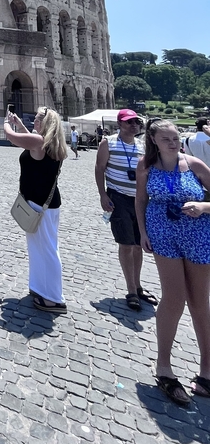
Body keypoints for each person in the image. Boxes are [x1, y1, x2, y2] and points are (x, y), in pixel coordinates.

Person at [135, 119, 210, 406]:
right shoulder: (146, 166)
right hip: (163, 236)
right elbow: (140, 201)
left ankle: (207, 371)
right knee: (173, 298)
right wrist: (143, 233)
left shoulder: (194, 164)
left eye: (176, 138)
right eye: (166, 139)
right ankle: (164, 367)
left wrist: (202, 206)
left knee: (200, 301)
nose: (173, 143)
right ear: (153, 140)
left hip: (198, 235)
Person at [4, 105, 68, 313]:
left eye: (38, 119)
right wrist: (20, 124)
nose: (34, 122)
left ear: (45, 123)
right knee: (40, 248)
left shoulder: (39, 142)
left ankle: (54, 298)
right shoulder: (49, 143)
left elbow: (12, 138)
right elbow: (28, 141)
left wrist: (6, 123)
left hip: (41, 205)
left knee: (47, 250)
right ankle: (40, 288)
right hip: (45, 204)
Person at [95, 109, 156, 311]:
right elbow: (99, 168)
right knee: (126, 244)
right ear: (120, 124)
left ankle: (138, 286)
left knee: (138, 244)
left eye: (136, 122)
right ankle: (131, 290)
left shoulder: (142, 145)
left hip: (140, 199)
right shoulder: (108, 143)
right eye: (129, 122)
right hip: (118, 198)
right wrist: (103, 194)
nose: (134, 125)